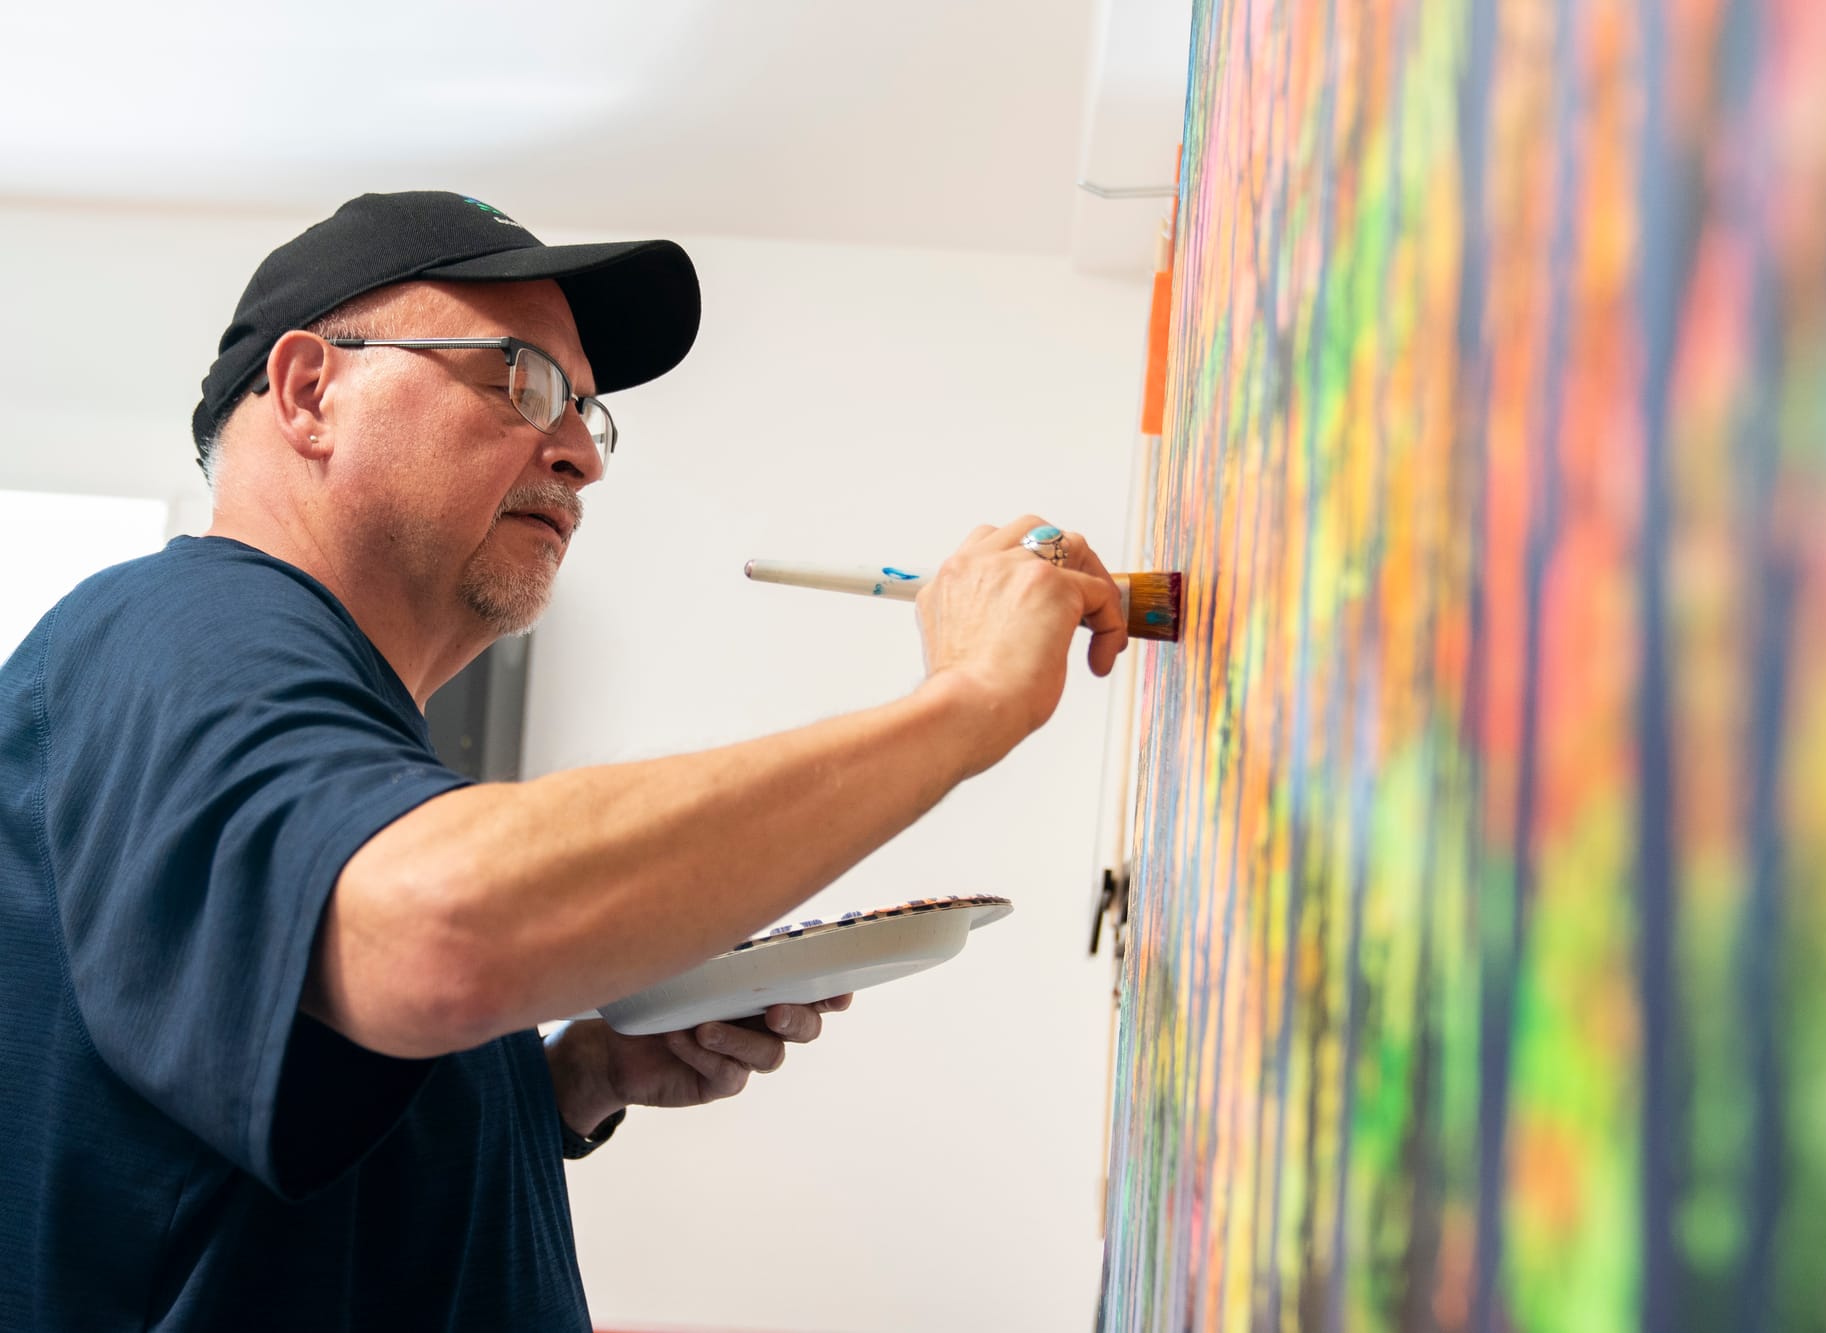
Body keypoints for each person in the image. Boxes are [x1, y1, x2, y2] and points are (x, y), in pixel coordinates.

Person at [0, 190, 1129, 1330]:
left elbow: (258, 1148)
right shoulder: (189, 626)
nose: (583, 452)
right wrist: (969, 699)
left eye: (587, 407)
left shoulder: (311, 707)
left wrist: (568, 1080)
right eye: (520, 379)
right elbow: (436, 934)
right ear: (309, 391)